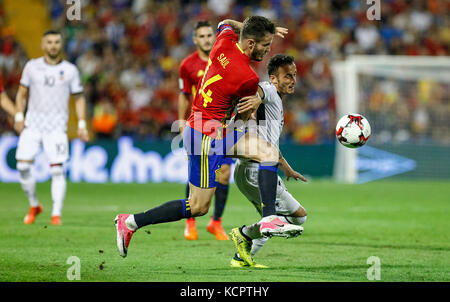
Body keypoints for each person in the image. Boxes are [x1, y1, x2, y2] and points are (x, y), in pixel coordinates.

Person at [115, 16, 303, 260]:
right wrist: (243, 126)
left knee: (199, 205)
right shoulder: (248, 78)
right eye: (265, 45)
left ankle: (129, 222)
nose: (267, 51)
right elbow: (244, 117)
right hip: (208, 135)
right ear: (250, 44)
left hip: (198, 127)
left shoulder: (223, 42)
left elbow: (225, 22)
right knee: (261, 157)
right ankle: (269, 218)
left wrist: (253, 29)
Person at [229, 54, 308, 268]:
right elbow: (260, 90)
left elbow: (268, 143)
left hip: (249, 171)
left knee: (269, 219)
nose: (292, 80)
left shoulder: (276, 101)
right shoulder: (270, 90)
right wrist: (255, 99)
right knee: (298, 217)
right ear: (274, 78)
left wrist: (287, 168)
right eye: (287, 76)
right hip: (256, 172)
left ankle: (241, 258)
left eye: (294, 76)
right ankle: (244, 233)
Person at [14, 30, 89, 225]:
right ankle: (34, 205)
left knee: (57, 170)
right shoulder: (32, 67)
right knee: (22, 166)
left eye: (56, 42)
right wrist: (19, 116)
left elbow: (79, 97)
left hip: (57, 127)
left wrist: (82, 124)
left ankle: (56, 214)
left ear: (60, 45)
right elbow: (21, 94)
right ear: (43, 45)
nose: (53, 45)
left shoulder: (70, 70)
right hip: (33, 124)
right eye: (49, 42)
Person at [178, 20, 230, 241]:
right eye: (202, 36)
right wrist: (180, 121)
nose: (207, 39)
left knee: (224, 174)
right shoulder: (187, 65)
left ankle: (216, 222)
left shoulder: (223, 60)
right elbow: (184, 94)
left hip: (222, 124)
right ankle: (190, 222)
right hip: (198, 123)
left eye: (210, 35)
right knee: (195, 173)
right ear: (195, 39)